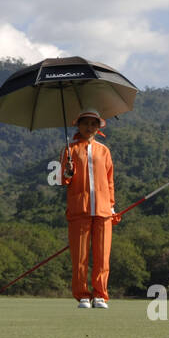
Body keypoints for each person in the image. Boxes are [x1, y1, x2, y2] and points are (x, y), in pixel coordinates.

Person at [60, 110, 119, 309]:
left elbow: (110, 181)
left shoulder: (104, 151)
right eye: (85, 123)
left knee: (102, 256)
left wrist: (112, 206)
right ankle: (83, 295)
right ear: (78, 125)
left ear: (98, 127)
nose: (89, 127)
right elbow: (63, 179)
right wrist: (67, 171)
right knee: (80, 257)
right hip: (79, 210)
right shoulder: (70, 150)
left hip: (103, 211)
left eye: (94, 124)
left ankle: (100, 295)